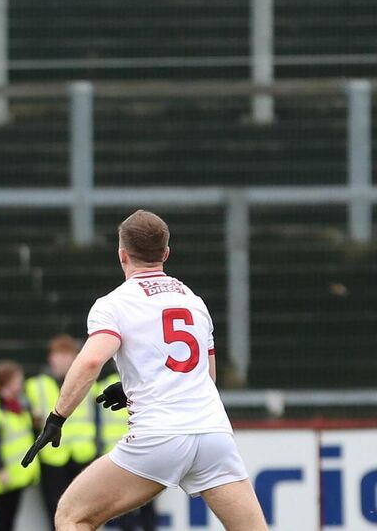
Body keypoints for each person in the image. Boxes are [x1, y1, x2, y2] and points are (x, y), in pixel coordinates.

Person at [21, 210, 267, 531]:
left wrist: (57, 417)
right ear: (166, 253)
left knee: (71, 515)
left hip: (159, 436)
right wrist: (133, 384)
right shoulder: (194, 302)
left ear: (122, 254)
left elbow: (92, 361)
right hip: (213, 434)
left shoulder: (115, 304)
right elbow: (207, 376)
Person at [24, 334, 98, 526]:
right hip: (52, 457)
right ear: (51, 357)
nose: (63, 360)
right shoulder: (35, 385)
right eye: (59, 355)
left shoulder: (89, 383)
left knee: (86, 512)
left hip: (83, 454)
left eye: (68, 355)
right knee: (55, 512)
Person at [0, 360, 39, 531]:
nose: (21, 383)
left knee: (10, 517)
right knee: (2, 518)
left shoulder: (18, 406)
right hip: (4, 476)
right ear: (7, 382)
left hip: (17, 475)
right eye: (18, 379)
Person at [96, 369, 157, 531]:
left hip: (135, 452)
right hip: (121, 455)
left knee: (142, 506)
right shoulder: (146, 381)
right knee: (127, 506)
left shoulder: (146, 380)